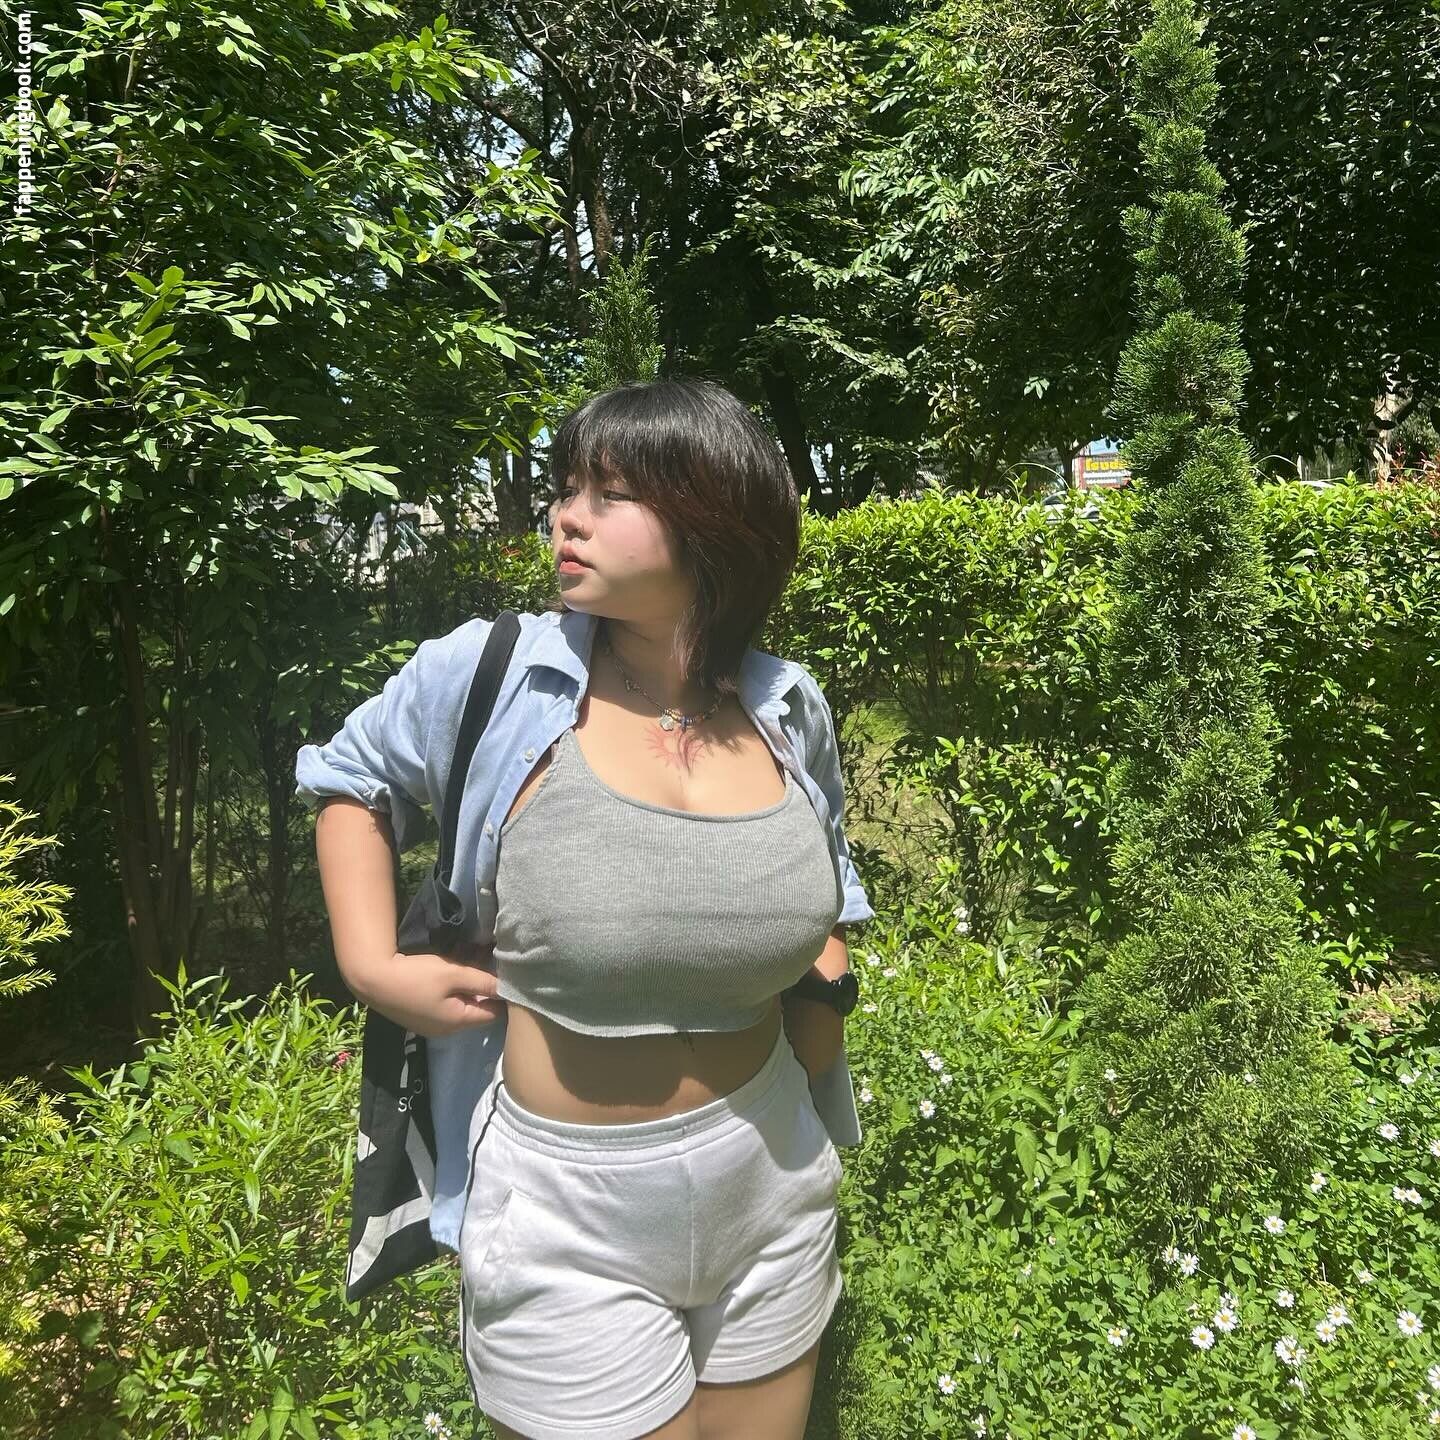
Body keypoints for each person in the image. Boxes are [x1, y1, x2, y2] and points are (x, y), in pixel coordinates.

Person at [300, 378, 874, 1440]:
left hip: (771, 1176)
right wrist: (371, 964)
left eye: (608, 495)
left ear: (713, 518)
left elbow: (829, 887)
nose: (566, 516)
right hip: (565, 1208)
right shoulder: (497, 673)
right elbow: (350, 776)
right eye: (567, 489)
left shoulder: (788, 706)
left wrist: (824, 1006)